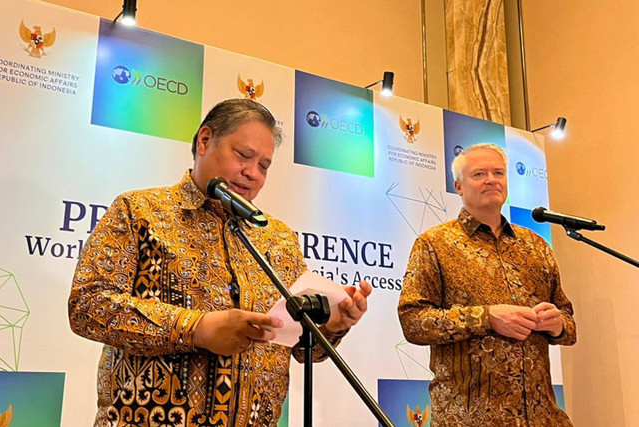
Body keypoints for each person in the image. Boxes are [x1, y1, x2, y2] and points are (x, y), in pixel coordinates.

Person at [68, 99, 372, 427]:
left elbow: (300, 349)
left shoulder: (278, 238)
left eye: (265, 165)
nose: (252, 173)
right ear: (204, 141)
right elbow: (87, 307)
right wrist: (195, 329)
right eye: (243, 156)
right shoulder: (139, 210)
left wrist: (331, 327)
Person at [397, 143, 576, 426]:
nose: (491, 179)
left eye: (498, 173)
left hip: (544, 418)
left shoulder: (536, 246)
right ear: (458, 186)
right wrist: (487, 317)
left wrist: (558, 325)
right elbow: (413, 321)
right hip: (469, 419)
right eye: (479, 174)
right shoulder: (434, 244)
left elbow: (568, 321)